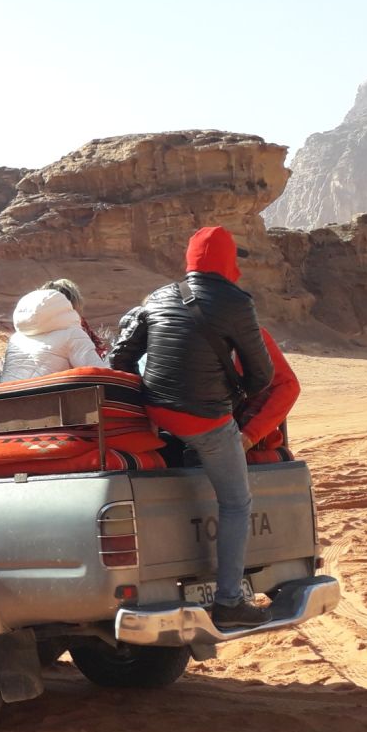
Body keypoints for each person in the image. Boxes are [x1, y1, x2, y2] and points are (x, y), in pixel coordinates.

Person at [109, 226, 274, 628]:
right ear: (227, 259)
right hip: (207, 421)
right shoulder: (236, 301)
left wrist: (147, 401)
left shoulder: (159, 296)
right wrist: (235, 400)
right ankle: (229, 600)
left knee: (187, 453)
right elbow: (262, 372)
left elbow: (120, 358)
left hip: (156, 415)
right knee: (236, 502)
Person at [0, 284, 106, 382]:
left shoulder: (16, 339)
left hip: (7, 399)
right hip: (51, 400)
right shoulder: (72, 335)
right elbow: (99, 375)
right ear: (66, 306)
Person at [237, 328, 300, 460]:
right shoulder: (187, 335)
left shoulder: (249, 334)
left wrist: (250, 434)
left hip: (238, 440)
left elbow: (288, 386)